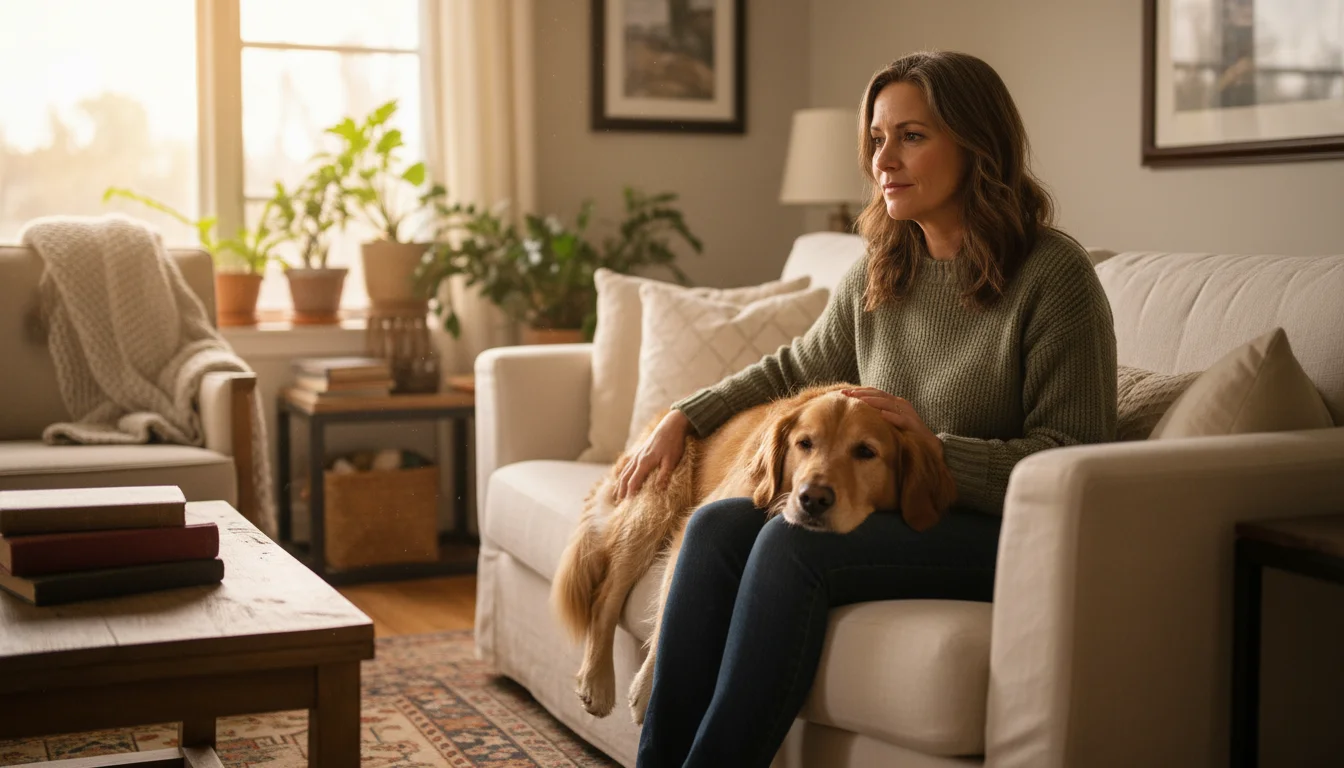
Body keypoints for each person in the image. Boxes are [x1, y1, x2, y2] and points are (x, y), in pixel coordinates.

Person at [617, 50, 1117, 767]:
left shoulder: (1053, 277)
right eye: (877, 139)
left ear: (977, 146)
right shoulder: (886, 268)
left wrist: (935, 450)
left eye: (912, 136)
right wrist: (684, 417)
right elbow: (792, 368)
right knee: (720, 524)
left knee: (793, 546)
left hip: (1005, 533)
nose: (885, 158)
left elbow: (1076, 459)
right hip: (915, 511)